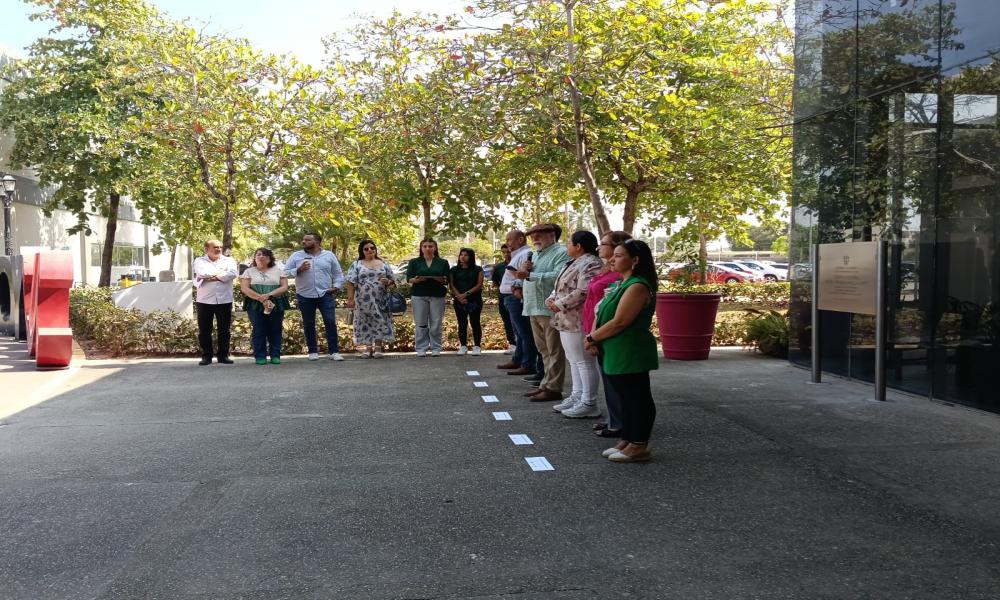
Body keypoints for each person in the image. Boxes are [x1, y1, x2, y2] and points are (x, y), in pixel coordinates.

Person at [585, 239, 659, 463]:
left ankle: (639, 444)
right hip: (614, 349)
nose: (611, 259)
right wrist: (594, 336)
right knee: (624, 398)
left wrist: (592, 337)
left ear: (635, 260)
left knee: (636, 398)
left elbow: (620, 322)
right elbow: (602, 312)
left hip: (629, 350)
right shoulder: (622, 284)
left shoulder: (637, 286)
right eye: (612, 255)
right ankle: (628, 438)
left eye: (618, 255)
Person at [546, 231, 603, 417]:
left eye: (569, 243)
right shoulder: (571, 262)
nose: (567, 246)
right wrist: (552, 298)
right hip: (565, 318)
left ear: (578, 246)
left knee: (584, 361)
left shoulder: (591, 263)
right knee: (574, 360)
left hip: (578, 318)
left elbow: (583, 290)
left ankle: (589, 402)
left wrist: (560, 304)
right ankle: (577, 395)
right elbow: (560, 287)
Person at [587, 231, 633, 438]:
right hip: (597, 329)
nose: (599, 248)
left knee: (619, 383)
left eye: (604, 244)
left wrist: (594, 336)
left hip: (611, 335)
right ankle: (615, 419)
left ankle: (623, 424)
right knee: (609, 380)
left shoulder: (626, 280)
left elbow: (619, 318)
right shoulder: (608, 270)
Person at [518, 223, 570, 402]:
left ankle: (554, 388)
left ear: (552, 235)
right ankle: (545, 384)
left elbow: (558, 277)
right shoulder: (536, 255)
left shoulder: (561, 252)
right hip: (533, 307)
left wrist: (531, 276)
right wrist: (524, 276)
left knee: (554, 350)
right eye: (532, 235)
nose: (534, 238)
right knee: (544, 350)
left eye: (538, 235)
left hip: (549, 309)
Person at [283, 232, 346, 361]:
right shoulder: (296, 256)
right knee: (309, 323)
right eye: (303, 240)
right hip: (304, 295)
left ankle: (334, 352)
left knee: (330, 322)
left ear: (317, 242)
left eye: (307, 240)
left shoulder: (329, 255)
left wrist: (336, 287)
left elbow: (338, 273)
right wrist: (298, 270)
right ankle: (312, 351)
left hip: (325, 294)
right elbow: (284, 273)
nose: (304, 242)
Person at [496, 230, 538, 376]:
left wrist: (516, 290)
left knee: (524, 332)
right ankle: (518, 359)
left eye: (509, 239)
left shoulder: (525, 254)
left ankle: (528, 363)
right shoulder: (517, 255)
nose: (507, 243)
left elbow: (520, 277)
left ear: (521, 240)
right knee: (518, 333)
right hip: (509, 297)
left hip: (515, 297)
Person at [345, 239, 396, 358]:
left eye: (372, 248)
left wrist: (388, 281)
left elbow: (393, 281)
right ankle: (368, 348)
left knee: (380, 320)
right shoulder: (357, 264)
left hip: (380, 298)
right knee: (365, 321)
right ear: (362, 251)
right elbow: (350, 282)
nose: (370, 250)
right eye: (366, 249)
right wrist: (350, 299)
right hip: (363, 299)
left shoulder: (383, 263)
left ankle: (378, 347)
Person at [239, 247, 291, 365]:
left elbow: (284, 287)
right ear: (255, 258)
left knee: (275, 328)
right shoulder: (249, 272)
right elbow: (245, 288)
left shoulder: (278, 270)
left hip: (275, 302)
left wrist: (268, 295)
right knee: (259, 329)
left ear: (269, 258)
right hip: (254, 303)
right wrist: (260, 298)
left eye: (264, 255)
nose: (261, 257)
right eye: (258, 255)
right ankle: (260, 356)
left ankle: (275, 355)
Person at [193, 239, 239, 365]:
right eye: (215, 247)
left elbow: (233, 274)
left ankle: (223, 356)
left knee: (224, 330)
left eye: (220, 247)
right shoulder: (199, 261)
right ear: (206, 249)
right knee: (204, 330)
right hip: (204, 301)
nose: (218, 249)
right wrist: (221, 274)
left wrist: (212, 277)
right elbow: (202, 273)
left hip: (224, 299)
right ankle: (206, 356)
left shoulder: (229, 260)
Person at [406, 238, 450, 356]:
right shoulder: (414, 262)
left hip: (437, 295)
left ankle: (436, 347)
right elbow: (409, 278)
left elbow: (447, 280)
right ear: (421, 248)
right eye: (425, 246)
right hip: (419, 294)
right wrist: (416, 280)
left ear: (435, 248)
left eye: (430, 246)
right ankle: (421, 348)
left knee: (436, 322)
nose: (427, 248)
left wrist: (440, 279)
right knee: (421, 322)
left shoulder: (443, 262)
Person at [450, 247, 485, 356]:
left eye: (466, 255)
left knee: (475, 322)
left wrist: (466, 294)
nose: (463, 257)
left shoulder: (478, 269)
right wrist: (459, 296)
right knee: (462, 323)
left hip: (474, 299)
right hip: (459, 300)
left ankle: (477, 346)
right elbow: (451, 284)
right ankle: (463, 346)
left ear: (471, 257)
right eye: (461, 255)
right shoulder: (454, 270)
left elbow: (479, 285)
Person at [492, 244, 517, 355]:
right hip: (504, 297)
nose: (507, 254)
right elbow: (495, 283)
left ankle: (519, 344)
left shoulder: (519, 263)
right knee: (507, 320)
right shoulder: (499, 267)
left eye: (508, 252)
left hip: (518, 297)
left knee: (517, 321)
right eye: (504, 252)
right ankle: (512, 343)